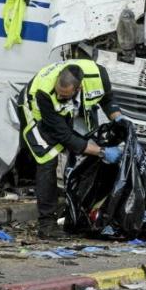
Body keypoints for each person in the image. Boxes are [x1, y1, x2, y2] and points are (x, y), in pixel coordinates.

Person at [18, 59, 123, 239]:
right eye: (59, 93)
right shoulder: (44, 93)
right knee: (47, 159)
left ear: (78, 89)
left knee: (86, 152)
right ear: (57, 80)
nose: (60, 96)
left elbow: (107, 99)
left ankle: (84, 213)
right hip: (34, 111)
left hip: (66, 111)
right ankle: (47, 224)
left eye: (65, 95)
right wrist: (102, 152)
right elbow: (65, 136)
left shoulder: (98, 75)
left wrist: (119, 120)